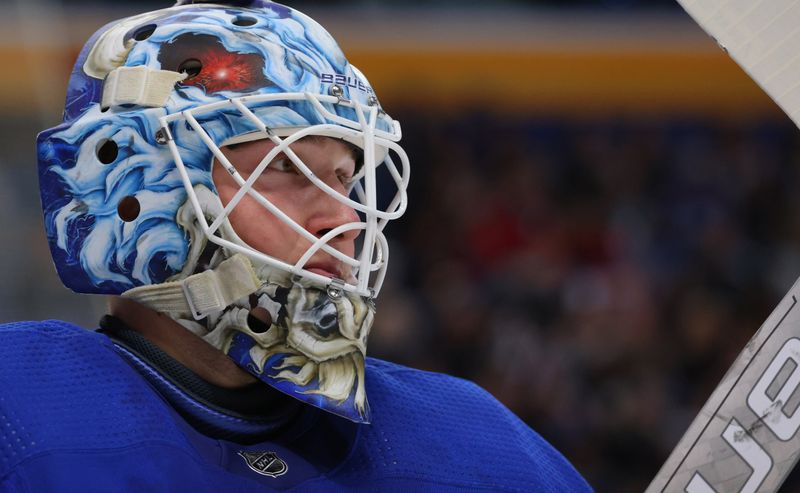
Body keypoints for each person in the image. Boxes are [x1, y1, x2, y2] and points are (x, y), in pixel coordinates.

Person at [0, 1, 592, 491]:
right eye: (284, 168)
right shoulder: (22, 412)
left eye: (343, 177)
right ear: (137, 190)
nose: (343, 217)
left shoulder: (480, 442)